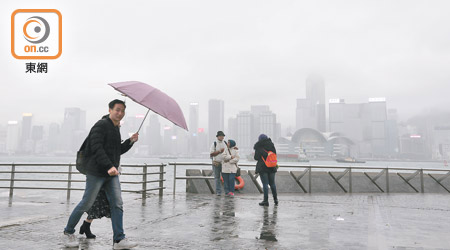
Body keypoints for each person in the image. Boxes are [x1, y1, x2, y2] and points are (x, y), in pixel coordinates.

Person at [63, 99, 139, 249]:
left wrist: (130, 141)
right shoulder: (101, 125)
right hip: (97, 172)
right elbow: (96, 147)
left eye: (123, 111)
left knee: (117, 204)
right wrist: (109, 166)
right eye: (117, 109)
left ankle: (119, 240)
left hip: (111, 174)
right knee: (86, 203)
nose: (120, 113)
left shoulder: (116, 128)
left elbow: (117, 150)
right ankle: (68, 232)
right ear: (110, 110)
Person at [254, 134, 278, 206]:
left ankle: (265, 201)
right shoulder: (271, 145)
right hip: (272, 167)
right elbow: (274, 155)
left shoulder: (259, 146)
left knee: (265, 184)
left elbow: (256, 157)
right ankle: (275, 199)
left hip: (263, 167)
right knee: (272, 184)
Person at [209, 131, 226, 196]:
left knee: (225, 178)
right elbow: (211, 154)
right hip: (216, 163)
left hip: (224, 163)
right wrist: (219, 151)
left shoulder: (225, 143)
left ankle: (225, 191)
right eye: (221, 136)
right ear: (218, 137)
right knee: (217, 178)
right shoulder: (214, 144)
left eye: (223, 136)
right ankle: (218, 192)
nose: (222, 137)